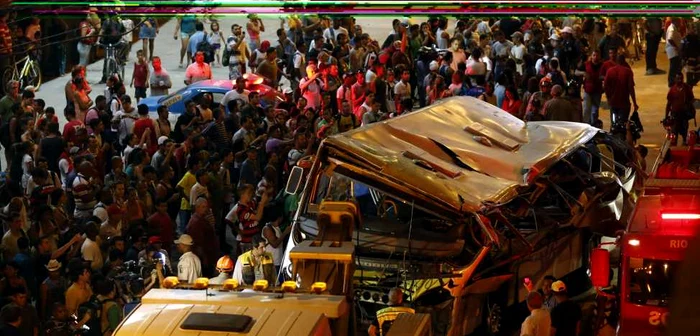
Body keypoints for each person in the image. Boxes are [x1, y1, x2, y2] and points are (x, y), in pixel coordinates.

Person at [604, 54, 638, 127]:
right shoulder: (628, 72)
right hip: (624, 103)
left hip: (613, 102)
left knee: (613, 123)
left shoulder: (610, 71)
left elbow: (606, 86)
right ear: (624, 61)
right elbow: (631, 88)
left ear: (616, 61)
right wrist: (635, 102)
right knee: (623, 124)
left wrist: (608, 98)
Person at [666, 72, 695, 146]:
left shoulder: (687, 88)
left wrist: (688, 105)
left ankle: (684, 142)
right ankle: (674, 145)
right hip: (675, 114)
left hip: (684, 114)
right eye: (678, 78)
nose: (680, 80)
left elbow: (692, 99)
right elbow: (669, 104)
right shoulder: (672, 90)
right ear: (675, 79)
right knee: (674, 131)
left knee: (684, 129)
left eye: (681, 78)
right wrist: (666, 116)